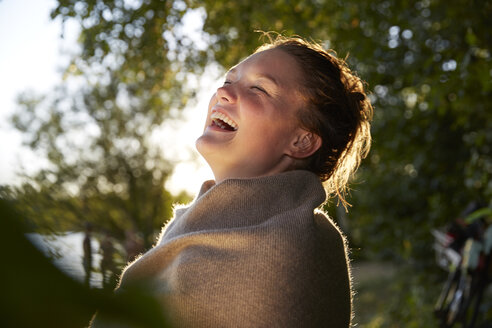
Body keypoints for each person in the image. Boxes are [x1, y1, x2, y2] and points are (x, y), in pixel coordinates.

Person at [92, 35, 373, 327]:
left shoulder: (289, 250)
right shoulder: (188, 227)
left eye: (259, 88)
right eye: (229, 79)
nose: (223, 91)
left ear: (301, 141)